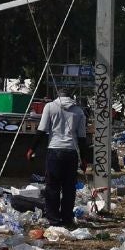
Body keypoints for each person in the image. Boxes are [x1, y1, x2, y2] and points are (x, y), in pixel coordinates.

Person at [38, 87, 86, 227]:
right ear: (71, 97)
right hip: (71, 153)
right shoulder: (78, 111)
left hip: (54, 150)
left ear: (57, 95)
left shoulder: (50, 107)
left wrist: (32, 148)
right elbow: (82, 137)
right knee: (69, 188)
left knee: (52, 187)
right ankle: (67, 219)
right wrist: (83, 159)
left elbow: (42, 129)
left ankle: (53, 219)